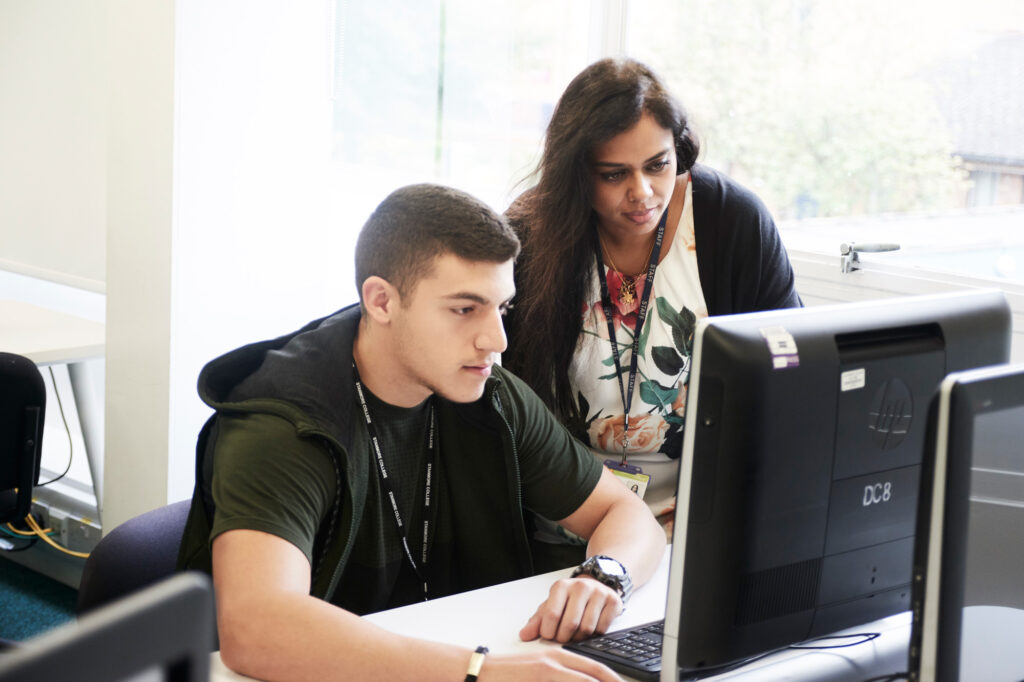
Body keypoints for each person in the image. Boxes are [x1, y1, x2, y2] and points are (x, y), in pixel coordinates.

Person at [176, 184, 665, 681]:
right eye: (464, 309)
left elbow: (622, 510)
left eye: (502, 309)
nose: (495, 340)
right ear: (382, 301)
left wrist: (606, 576)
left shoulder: (489, 392)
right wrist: (484, 674)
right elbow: (256, 629)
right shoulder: (284, 425)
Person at [503, 58, 802, 555]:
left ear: (678, 150)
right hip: (564, 525)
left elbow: (792, 373)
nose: (642, 193)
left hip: (700, 524)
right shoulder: (531, 237)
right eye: (614, 174)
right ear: (576, 173)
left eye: (657, 165)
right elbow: (504, 403)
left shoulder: (730, 222)